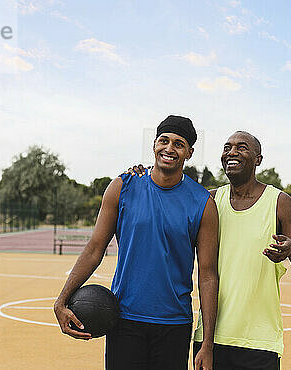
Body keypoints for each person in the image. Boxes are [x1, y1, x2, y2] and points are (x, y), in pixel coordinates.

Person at [54, 115, 219, 370]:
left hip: (174, 324)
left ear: (189, 153)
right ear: (153, 144)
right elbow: (95, 249)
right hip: (124, 319)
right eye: (164, 141)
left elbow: (207, 275)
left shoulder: (202, 203)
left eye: (179, 144)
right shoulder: (123, 186)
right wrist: (61, 300)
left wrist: (207, 343)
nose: (169, 148)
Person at [192, 131, 291, 369]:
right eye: (227, 147)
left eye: (242, 147)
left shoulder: (279, 202)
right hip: (210, 340)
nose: (232, 152)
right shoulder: (209, 201)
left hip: (259, 342)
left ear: (258, 159)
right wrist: (143, 175)